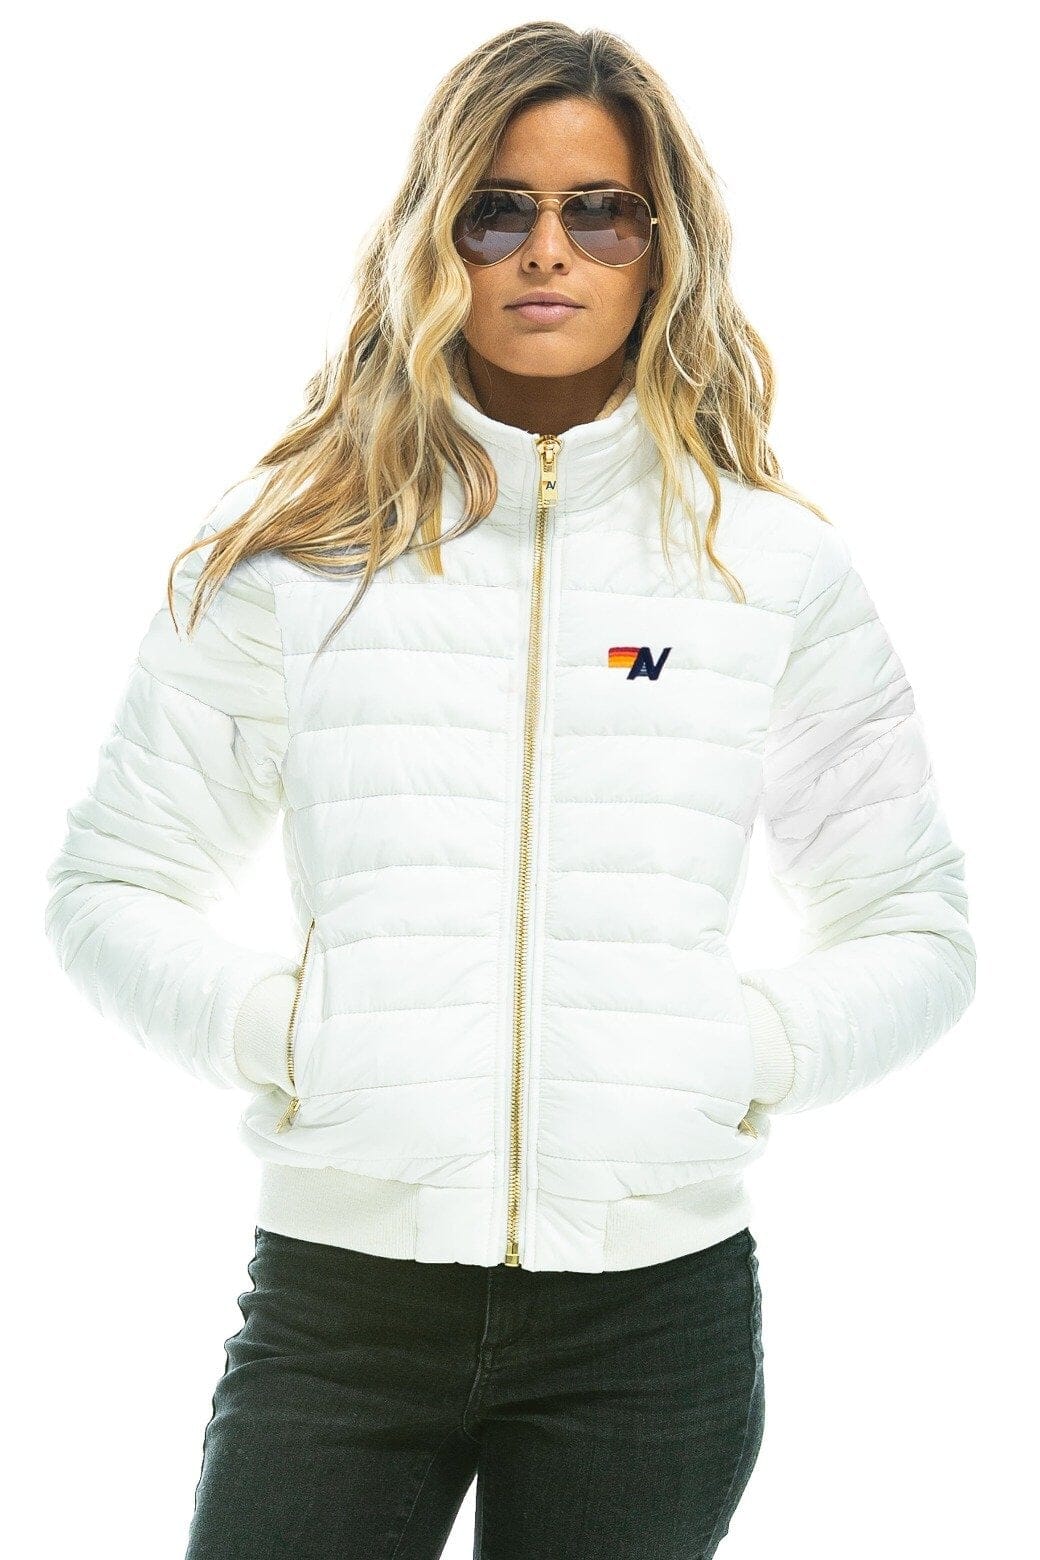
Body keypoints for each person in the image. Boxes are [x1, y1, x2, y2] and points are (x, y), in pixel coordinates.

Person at [42, 21, 976, 1560]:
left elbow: (917, 927)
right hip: (344, 1305)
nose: (549, 251)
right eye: (498, 211)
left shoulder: (766, 568)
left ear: (661, 248)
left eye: (600, 212)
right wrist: (296, 1035)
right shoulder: (298, 550)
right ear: (439, 239)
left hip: (651, 1328)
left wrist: (733, 1049)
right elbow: (111, 888)